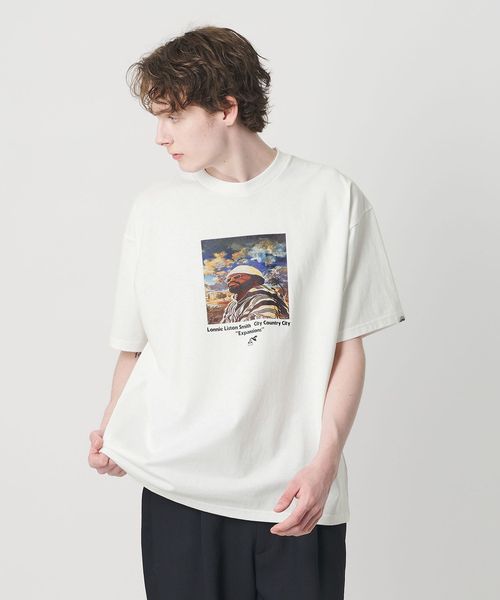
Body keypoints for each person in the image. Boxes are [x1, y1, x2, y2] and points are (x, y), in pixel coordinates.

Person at [88, 25, 406, 600]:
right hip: (179, 490)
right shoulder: (155, 211)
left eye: (173, 116)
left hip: (294, 493)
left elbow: (348, 348)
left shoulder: (332, 198)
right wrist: (112, 427)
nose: (160, 136)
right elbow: (135, 348)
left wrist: (325, 463)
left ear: (227, 109)